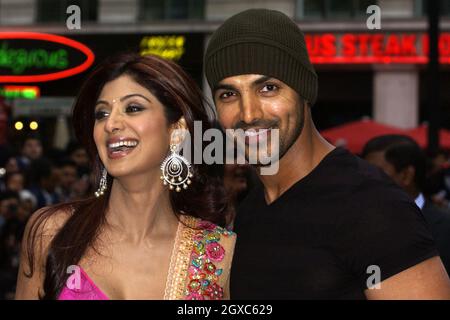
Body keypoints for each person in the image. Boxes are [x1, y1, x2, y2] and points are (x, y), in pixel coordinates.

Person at [204, 8, 450, 299]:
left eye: (268, 88)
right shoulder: (250, 211)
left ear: (304, 90)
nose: (248, 113)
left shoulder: (374, 207)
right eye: (228, 94)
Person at [15, 53, 236, 300]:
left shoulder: (217, 252)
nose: (111, 124)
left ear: (177, 131)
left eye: (133, 108)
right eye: (102, 114)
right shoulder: (52, 232)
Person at [362, 134, 450, 275]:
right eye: (362, 173)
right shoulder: (357, 226)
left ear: (406, 175)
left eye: (374, 173)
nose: (364, 181)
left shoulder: (445, 229)